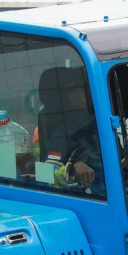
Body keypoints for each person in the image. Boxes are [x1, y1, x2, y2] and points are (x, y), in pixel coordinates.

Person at [37, 65, 106, 195]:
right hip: (89, 197)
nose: (91, 94)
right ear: (71, 96)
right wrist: (74, 168)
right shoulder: (64, 132)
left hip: (115, 192)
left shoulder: (102, 126)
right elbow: (48, 172)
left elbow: (125, 161)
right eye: (84, 90)